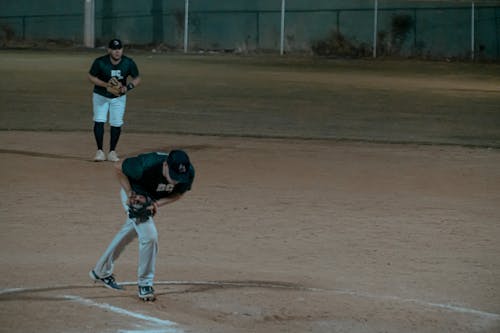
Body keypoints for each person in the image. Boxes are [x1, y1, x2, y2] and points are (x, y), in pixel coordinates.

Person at [89, 149, 195, 301]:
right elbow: (118, 166)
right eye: (173, 175)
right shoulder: (145, 165)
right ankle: (145, 284)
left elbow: (178, 194)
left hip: (151, 199)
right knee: (149, 236)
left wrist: (156, 204)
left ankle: (100, 271)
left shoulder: (188, 173)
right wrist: (130, 192)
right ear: (165, 165)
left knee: (131, 230)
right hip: (135, 195)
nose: (176, 180)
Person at [88, 38, 141, 162]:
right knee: (99, 120)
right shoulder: (100, 62)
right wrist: (106, 85)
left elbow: (137, 78)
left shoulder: (128, 62)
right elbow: (91, 77)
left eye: (119, 49)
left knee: (116, 123)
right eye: (114, 49)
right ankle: (100, 151)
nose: (117, 52)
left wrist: (127, 87)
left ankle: (112, 151)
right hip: (100, 95)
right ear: (109, 50)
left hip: (119, 98)